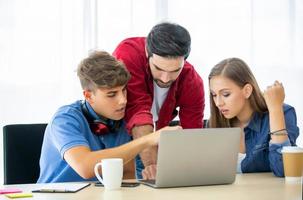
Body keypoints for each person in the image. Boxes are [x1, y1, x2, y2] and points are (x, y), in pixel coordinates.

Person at [37, 51, 180, 183]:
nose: (123, 100)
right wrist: (147, 140)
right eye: (112, 94)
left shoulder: (123, 119)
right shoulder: (64, 120)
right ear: (89, 96)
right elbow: (85, 167)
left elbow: (126, 175)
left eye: (124, 90)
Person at [113, 22, 205, 179]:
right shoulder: (129, 53)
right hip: (119, 140)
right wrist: (151, 165)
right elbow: (138, 110)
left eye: (175, 71)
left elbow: (192, 135)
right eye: (159, 69)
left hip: (157, 144)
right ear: (147, 52)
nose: (165, 78)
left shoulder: (192, 81)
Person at [208, 57, 299, 177]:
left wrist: (275, 109)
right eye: (214, 95)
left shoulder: (282, 113)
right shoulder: (216, 123)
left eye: (226, 94)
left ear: (247, 91)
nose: (218, 103)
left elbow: (283, 170)